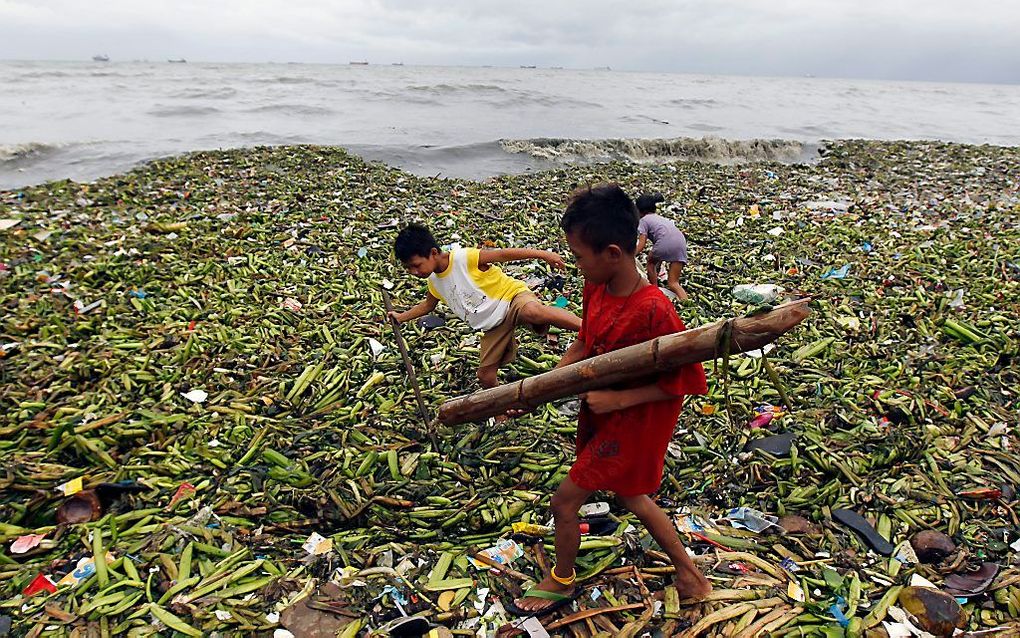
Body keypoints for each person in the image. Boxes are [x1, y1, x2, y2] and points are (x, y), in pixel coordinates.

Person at [510, 184, 711, 615]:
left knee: (564, 501)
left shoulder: (656, 310)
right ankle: (691, 577)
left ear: (614, 253)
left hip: (636, 418)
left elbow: (687, 382)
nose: (577, 265)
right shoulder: (596, 286)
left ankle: (561, 580)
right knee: (632, 495)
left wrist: (617, 403)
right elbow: (585, 341)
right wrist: (541, 388)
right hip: (604, 406)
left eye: (580, 257)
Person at [389, 223, 581, 389]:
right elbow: (427, 306)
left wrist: (543, 255)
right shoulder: (434, 282)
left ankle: (587, 327)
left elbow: (503, 255)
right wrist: (400, 317)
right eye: (409, 268)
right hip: (492, 324)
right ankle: (501, 413)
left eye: (416, 265)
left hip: (510, 298)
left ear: (432, 253)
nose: (414, 272)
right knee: (485, 376)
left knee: (533, 311)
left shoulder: (463, 258)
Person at [636, 192, 690, 300]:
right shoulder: (660, 218)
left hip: (664, 244)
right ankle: (687, 304)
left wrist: (630, 255)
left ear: (639, 210)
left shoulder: (643, 220)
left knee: (650, 263)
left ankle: (654, 291)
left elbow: (641, 244)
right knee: (673, 282)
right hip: (681, 244)